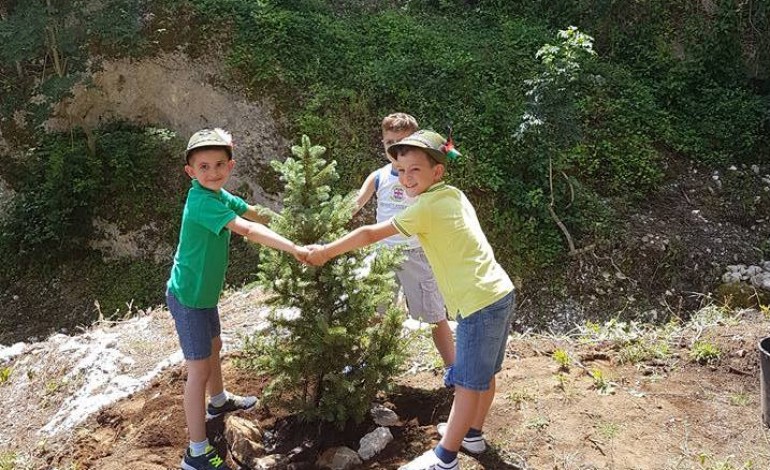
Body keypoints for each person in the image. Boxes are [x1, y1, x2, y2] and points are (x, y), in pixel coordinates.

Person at [306, 130, 515, 470]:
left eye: (415, 170)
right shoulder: (453, 195)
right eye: (401, 171)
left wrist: (326, 252)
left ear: (437, 172)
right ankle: (472, 435)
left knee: (466, 383)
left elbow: (371, 233)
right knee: (484, 374)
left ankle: (444, 459)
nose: (405, 178)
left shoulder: (426, 208)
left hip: (479, 302)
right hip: (499, 292)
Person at [167, 128, 308, 470]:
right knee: (197, 370)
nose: (213, 172)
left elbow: (252, 212)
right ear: (191, 172)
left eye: (219, 165)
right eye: (204, 166)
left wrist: (289, 219)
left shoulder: (216, 195)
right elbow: (245, 228)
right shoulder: (201, 202)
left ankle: (218, 402)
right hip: (188, 298)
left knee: (215, 347)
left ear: (230, 165)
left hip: (204, 295)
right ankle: (196, 452)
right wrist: (294, 248)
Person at [353, 113, 455, 376]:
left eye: (403, 142)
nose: (395, 148)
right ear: (383, 142)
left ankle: (453, 367)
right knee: (376, 312)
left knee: (434, 315)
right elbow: (355, 204)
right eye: (390, 142)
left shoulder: (422, 177)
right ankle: (371, 364)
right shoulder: (378, 177)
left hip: (416, 254)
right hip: (382, 254)